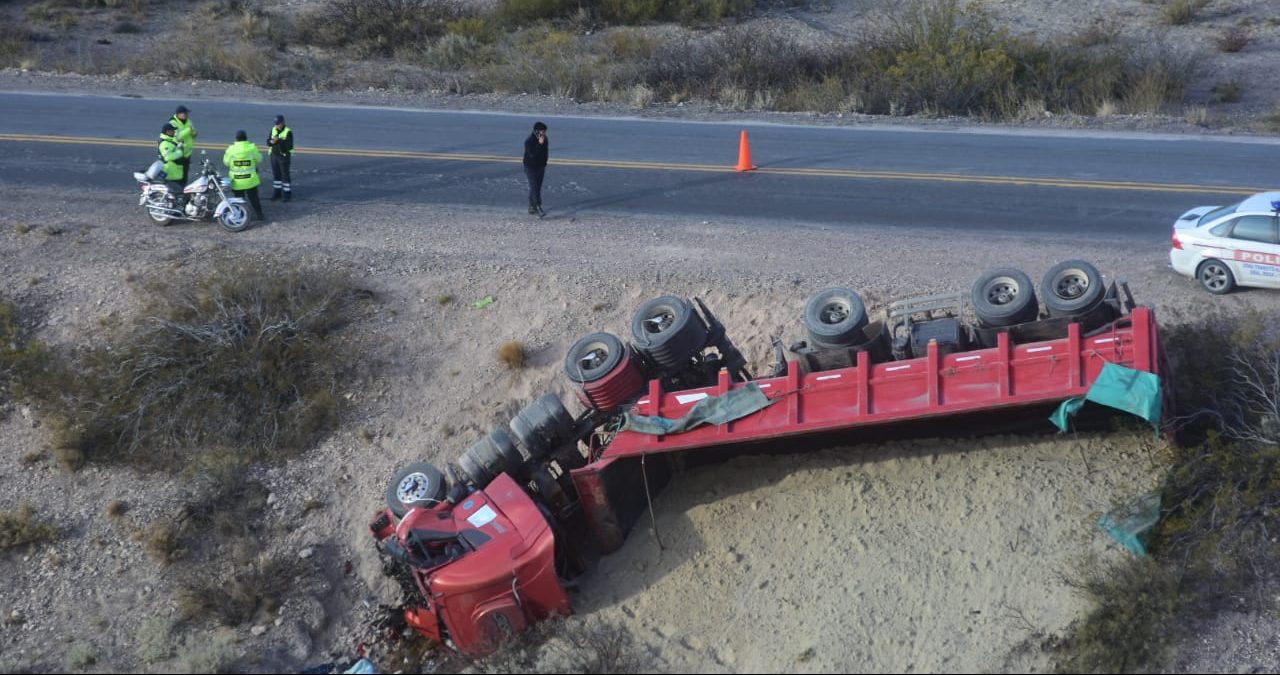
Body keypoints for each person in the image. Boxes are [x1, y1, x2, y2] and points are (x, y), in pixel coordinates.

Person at [223, 130, 266, 222]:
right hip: (250, 179)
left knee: (239, 199)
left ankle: (241, 215)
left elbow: (226, 162)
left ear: (236, 139)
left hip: (237, 181)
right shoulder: (252, 148)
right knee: (254, 198)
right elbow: (259, 159)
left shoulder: (231, 149)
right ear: (246, 138)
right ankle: (259, 214)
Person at [522, 121, 549, 217]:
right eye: (543, 131)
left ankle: (531, 207)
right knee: (534, 187)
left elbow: (545, 152)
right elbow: (532, 154)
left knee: (537, 187)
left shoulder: (544, 139)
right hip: (530, 167)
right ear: (537, 131)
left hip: (540, 166)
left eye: (545, 131)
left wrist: (544, 163)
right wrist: (539, 144)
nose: (544, 133)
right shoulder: (529, 141)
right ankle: (538, 207)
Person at [267, 114, 294, 202]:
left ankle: (287, 194)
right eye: (276, 123)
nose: (276, 125)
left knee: (285, 175)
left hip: (283, 157)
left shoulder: (288, 132)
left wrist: (279, 141)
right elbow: (268, 142)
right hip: (274, 156)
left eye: (278, 123)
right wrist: (271, 142)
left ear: (282, 123)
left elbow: (289, 146)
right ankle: (277, 193)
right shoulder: (273, 129)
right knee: (276, 175)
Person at [168, 105, 198, 183]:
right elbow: (178, 136)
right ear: (179, 114)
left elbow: (193, 134)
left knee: (185, 175)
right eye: (185, 113)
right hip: (177, 153)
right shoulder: (172, 122)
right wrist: (189, 130)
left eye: (187, 113)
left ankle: (182, 191)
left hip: (187, 153)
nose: (187, 115)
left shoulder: (189, 121)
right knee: (177, 174)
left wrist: (194, 133)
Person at [157, 122, 185, 202]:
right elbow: (168, 157)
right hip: (170, 173)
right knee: (175, 193)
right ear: (167, 132)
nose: (174, 132)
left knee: (178, 194)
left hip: (175, 172)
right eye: (172, 131)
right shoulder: (164, 143)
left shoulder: (170, 140)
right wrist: (179, 152)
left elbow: (175, 144)